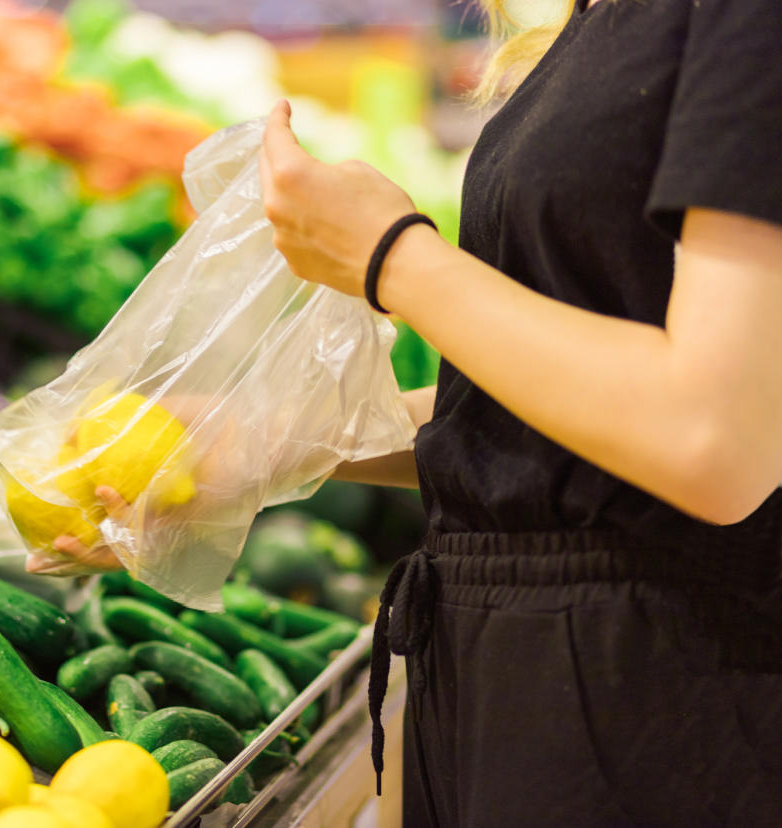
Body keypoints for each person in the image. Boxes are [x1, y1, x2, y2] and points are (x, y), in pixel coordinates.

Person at [258, 0, 782, 823]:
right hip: (528, 685)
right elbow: (565, 411)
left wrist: (392, 256)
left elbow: (716, 435)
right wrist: (262, 445)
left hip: (652, 704)